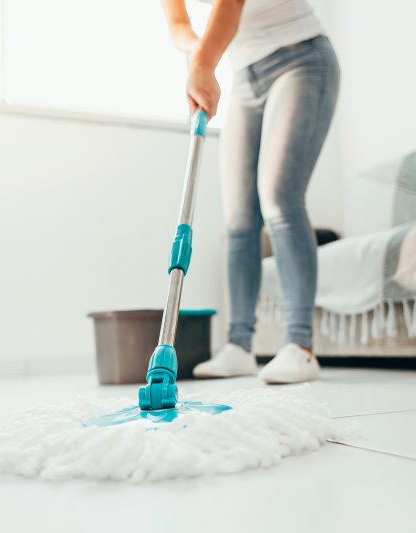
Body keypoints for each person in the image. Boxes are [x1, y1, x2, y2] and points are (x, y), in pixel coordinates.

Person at [160, 0, 340, 383]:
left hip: (301, 58)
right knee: (239, 218)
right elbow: (177, 23)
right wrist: (201, 52)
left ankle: (300, 346)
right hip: (245, 76)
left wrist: (204, 65)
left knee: (279, 199)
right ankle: (239, 346)